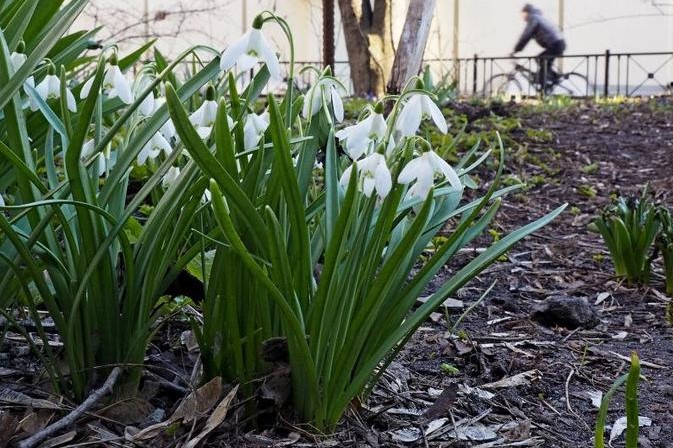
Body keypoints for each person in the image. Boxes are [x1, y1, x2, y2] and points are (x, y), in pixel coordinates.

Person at [511, 3, 566, 87]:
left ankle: (544, 88)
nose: (522, 16)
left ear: (528, 12)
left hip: (556, 44)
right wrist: (518, 49)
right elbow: (527, 37)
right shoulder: (537, 18)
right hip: (557, 44)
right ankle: (553, 78)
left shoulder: (534, 18)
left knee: (541, 59)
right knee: (541, 60)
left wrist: (515, 50)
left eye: (523, 13)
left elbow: (526, 35)